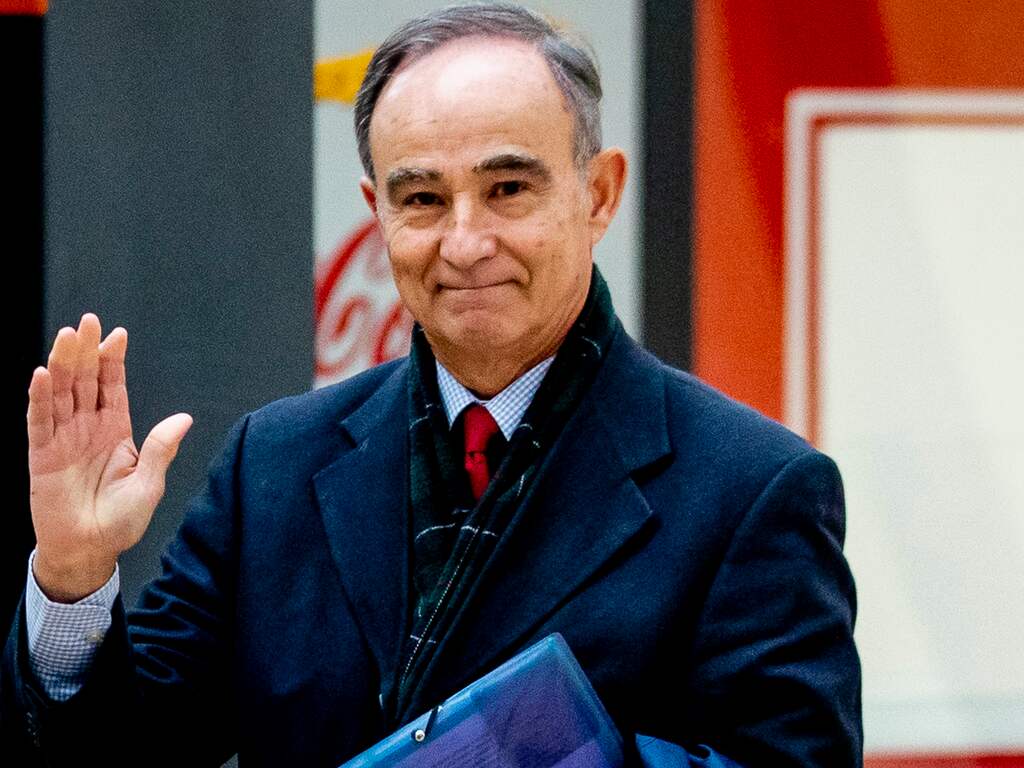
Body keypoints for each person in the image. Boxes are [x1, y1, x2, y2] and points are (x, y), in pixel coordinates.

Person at [1, 3, 861, 766]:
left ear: (599, 194)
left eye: (508, 188)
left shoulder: (753, 488)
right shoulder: (274, 464)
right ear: (376, 209)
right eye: (422, 199)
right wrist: (74, 577)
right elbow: (125, 751)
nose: (465, 241)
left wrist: (525, 751)